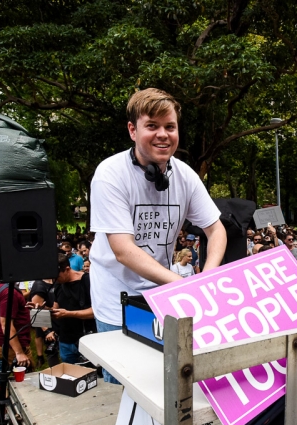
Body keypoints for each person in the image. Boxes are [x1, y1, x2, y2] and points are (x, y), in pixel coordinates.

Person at [88, 88, 226, 382]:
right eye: (152, 126)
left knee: (163, 380)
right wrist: (184, 286)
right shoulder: (109, 174)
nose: (163, 134)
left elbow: (216, 229)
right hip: (117, 298)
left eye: (170, 127)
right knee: (126, 382)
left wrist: (207, 278)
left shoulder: (185, 175)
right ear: (132, 130)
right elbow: (123, 250)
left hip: (163, 293)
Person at [47, 255, 96, 365]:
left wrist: (68, 314)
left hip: (86, 339)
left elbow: (95, 312)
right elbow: (55, 308)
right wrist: (41, 309)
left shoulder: (87, 281)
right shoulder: (59, 284)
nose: (55, 280)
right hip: (65, 340)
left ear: (67, 269)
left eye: (57, 276)